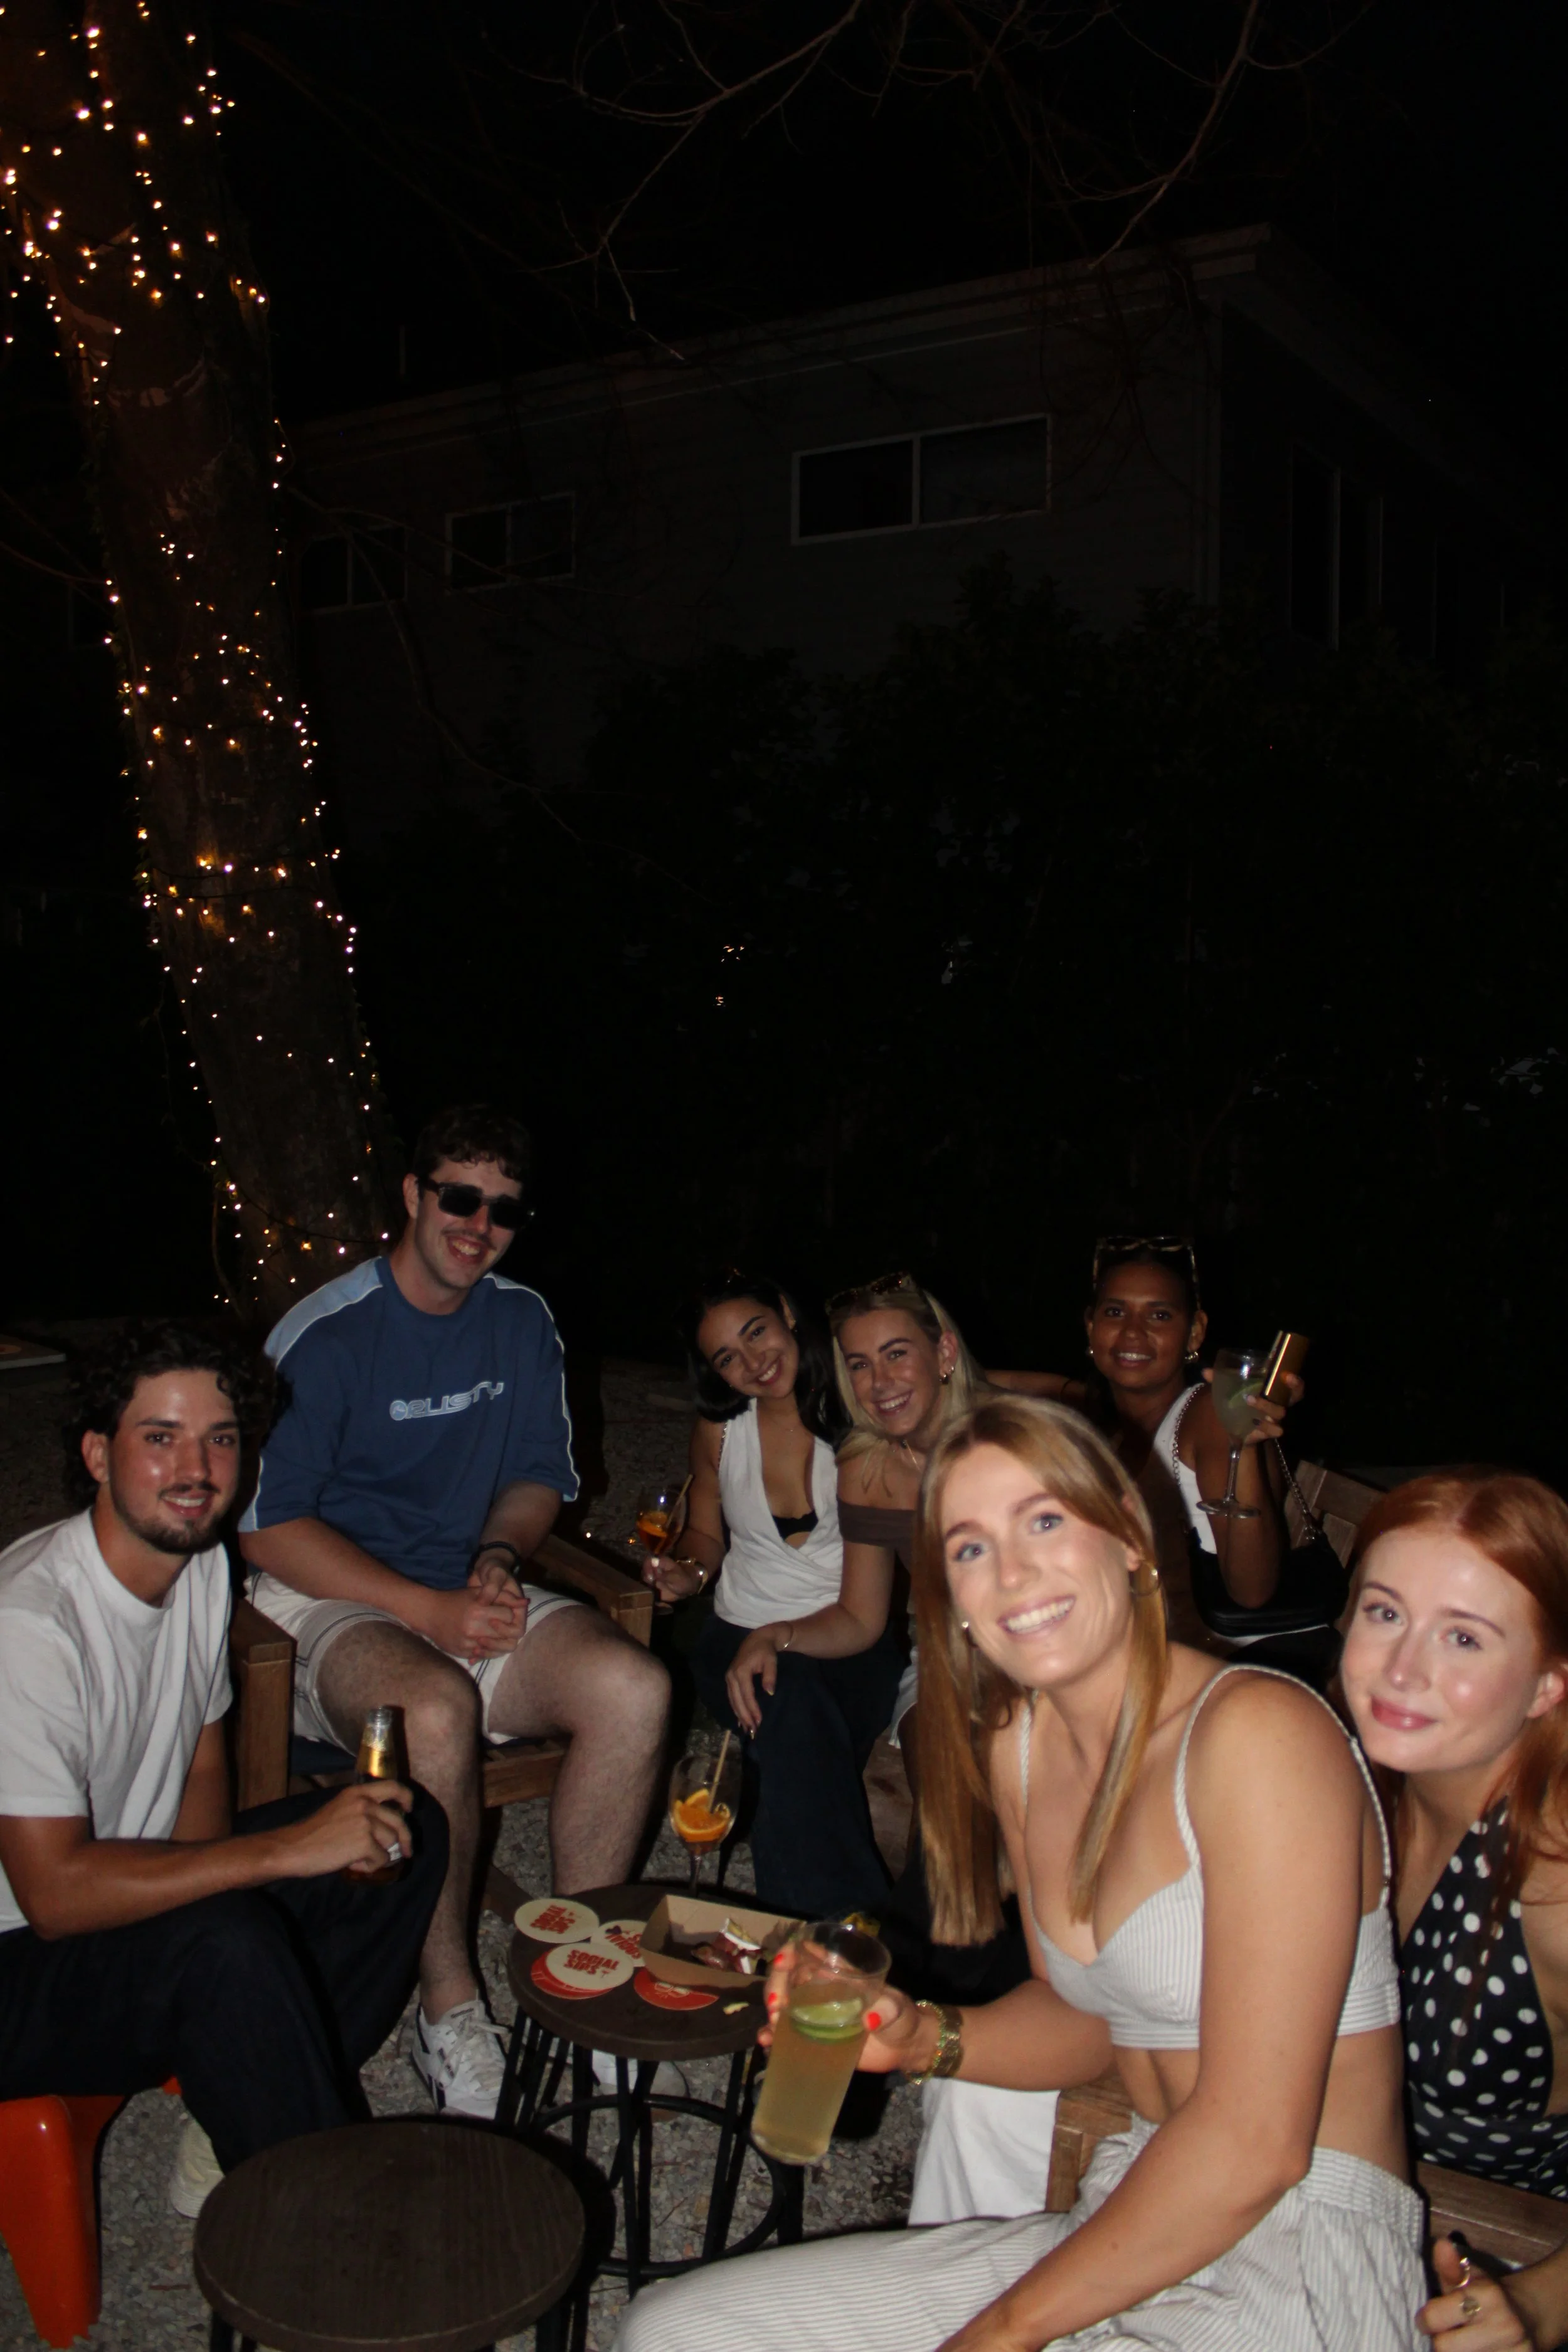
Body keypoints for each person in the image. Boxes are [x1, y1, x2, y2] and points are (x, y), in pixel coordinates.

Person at [615, 1394, 1422, 2352]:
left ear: (1127, 1537)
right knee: (674, 2330)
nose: (1012, 1571)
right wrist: (923, 2038)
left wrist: (996, 2334)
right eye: (968, 1546)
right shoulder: (1019, 1747)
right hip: (1132, 2201)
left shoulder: (1260, 1735)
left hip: (1299, 2258)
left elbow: (1257, 2142)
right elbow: (1090, 2023)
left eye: (1045, 1519)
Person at [238, 1103, 670, 2119]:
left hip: (458, 1591)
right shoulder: (326, 1334)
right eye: (460, 1198)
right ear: (413, 1195)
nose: (480, 1225)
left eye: (504, 1209)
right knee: (432, 1712)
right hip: (330, 1601)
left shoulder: (520, 1321)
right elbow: (267, 1529)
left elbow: (533, 1478)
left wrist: (490, 1559)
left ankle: (581, 1969)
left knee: (636, 1686)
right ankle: (448, 2006)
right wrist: (427, 1611)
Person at [0, 1323, 446, 2222]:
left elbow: (204, 1752)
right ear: (97, 1452)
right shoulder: (29, 1625)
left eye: (222, 1436)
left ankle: (237, 2109)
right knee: (229, 1942)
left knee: (402, 1824)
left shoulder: (201, 1560)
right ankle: (324, 2231)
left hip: (112, 1890)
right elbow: (50, 1895)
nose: (195, 1466)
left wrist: (220, 1881)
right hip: (17, 1964)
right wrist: (270, 1862)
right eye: (160, 1437)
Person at [1339, 1470, 1568, 2352]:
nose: (1402, 1667)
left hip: (1497, 2251)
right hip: (1343, 2205)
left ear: (1547, 1685)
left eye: (1464, 1637)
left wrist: (1543, 2303)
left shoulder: (1549, 1880)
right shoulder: (1353, 1782)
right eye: (1385, 1611)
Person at [645, 1272, 903, 1916]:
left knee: (792, 1712)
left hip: (849, 1641)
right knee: (787, 1704)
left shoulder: (859, 1413)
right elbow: (704, 1535)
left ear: (787, 1312)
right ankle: (847, 1933)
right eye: (727, 1357)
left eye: (755, 1332)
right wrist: (687, 1573)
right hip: (736, 1638)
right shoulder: (721, 1430)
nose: (753, 1362)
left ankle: (806, 1932)